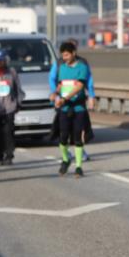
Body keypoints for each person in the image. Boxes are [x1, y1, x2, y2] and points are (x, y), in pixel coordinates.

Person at [49, 40, 93, 177]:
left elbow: (79, 86)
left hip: (78, 107)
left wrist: (65, 98)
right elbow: (61, 84)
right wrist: (55, 93)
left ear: (73, 53)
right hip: (64, 108)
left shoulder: (82, 67)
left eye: (67, 55)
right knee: (62, 137)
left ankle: (79, 167)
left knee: (77, 137)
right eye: (63, 55)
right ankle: (66, 159)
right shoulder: (62, 68)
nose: (64, 58)